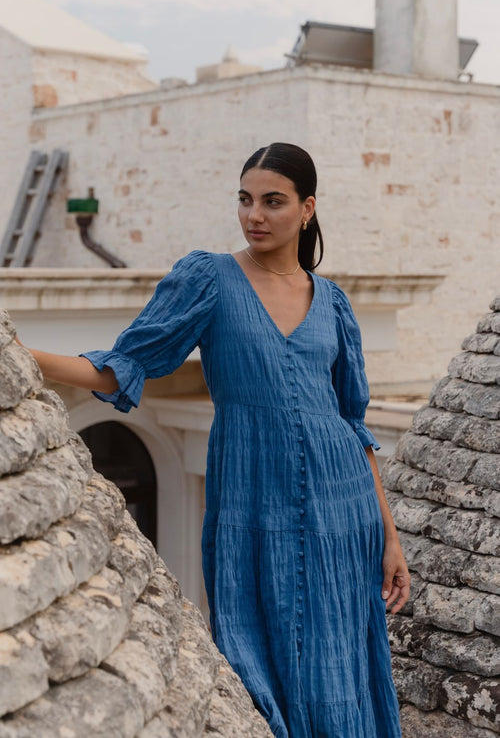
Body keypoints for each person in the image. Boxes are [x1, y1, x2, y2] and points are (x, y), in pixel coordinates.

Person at [17, 143, 409, 737]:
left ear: (306, 210)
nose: (255, 215)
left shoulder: (333, 304)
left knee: (341, 661)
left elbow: (354, 426)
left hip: (345, 511)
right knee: (256, 661)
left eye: (273, 202)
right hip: (252, 501)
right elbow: (123, 367)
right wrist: (16, 355)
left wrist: (389, 536)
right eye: (245, 200)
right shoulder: (209, 278)